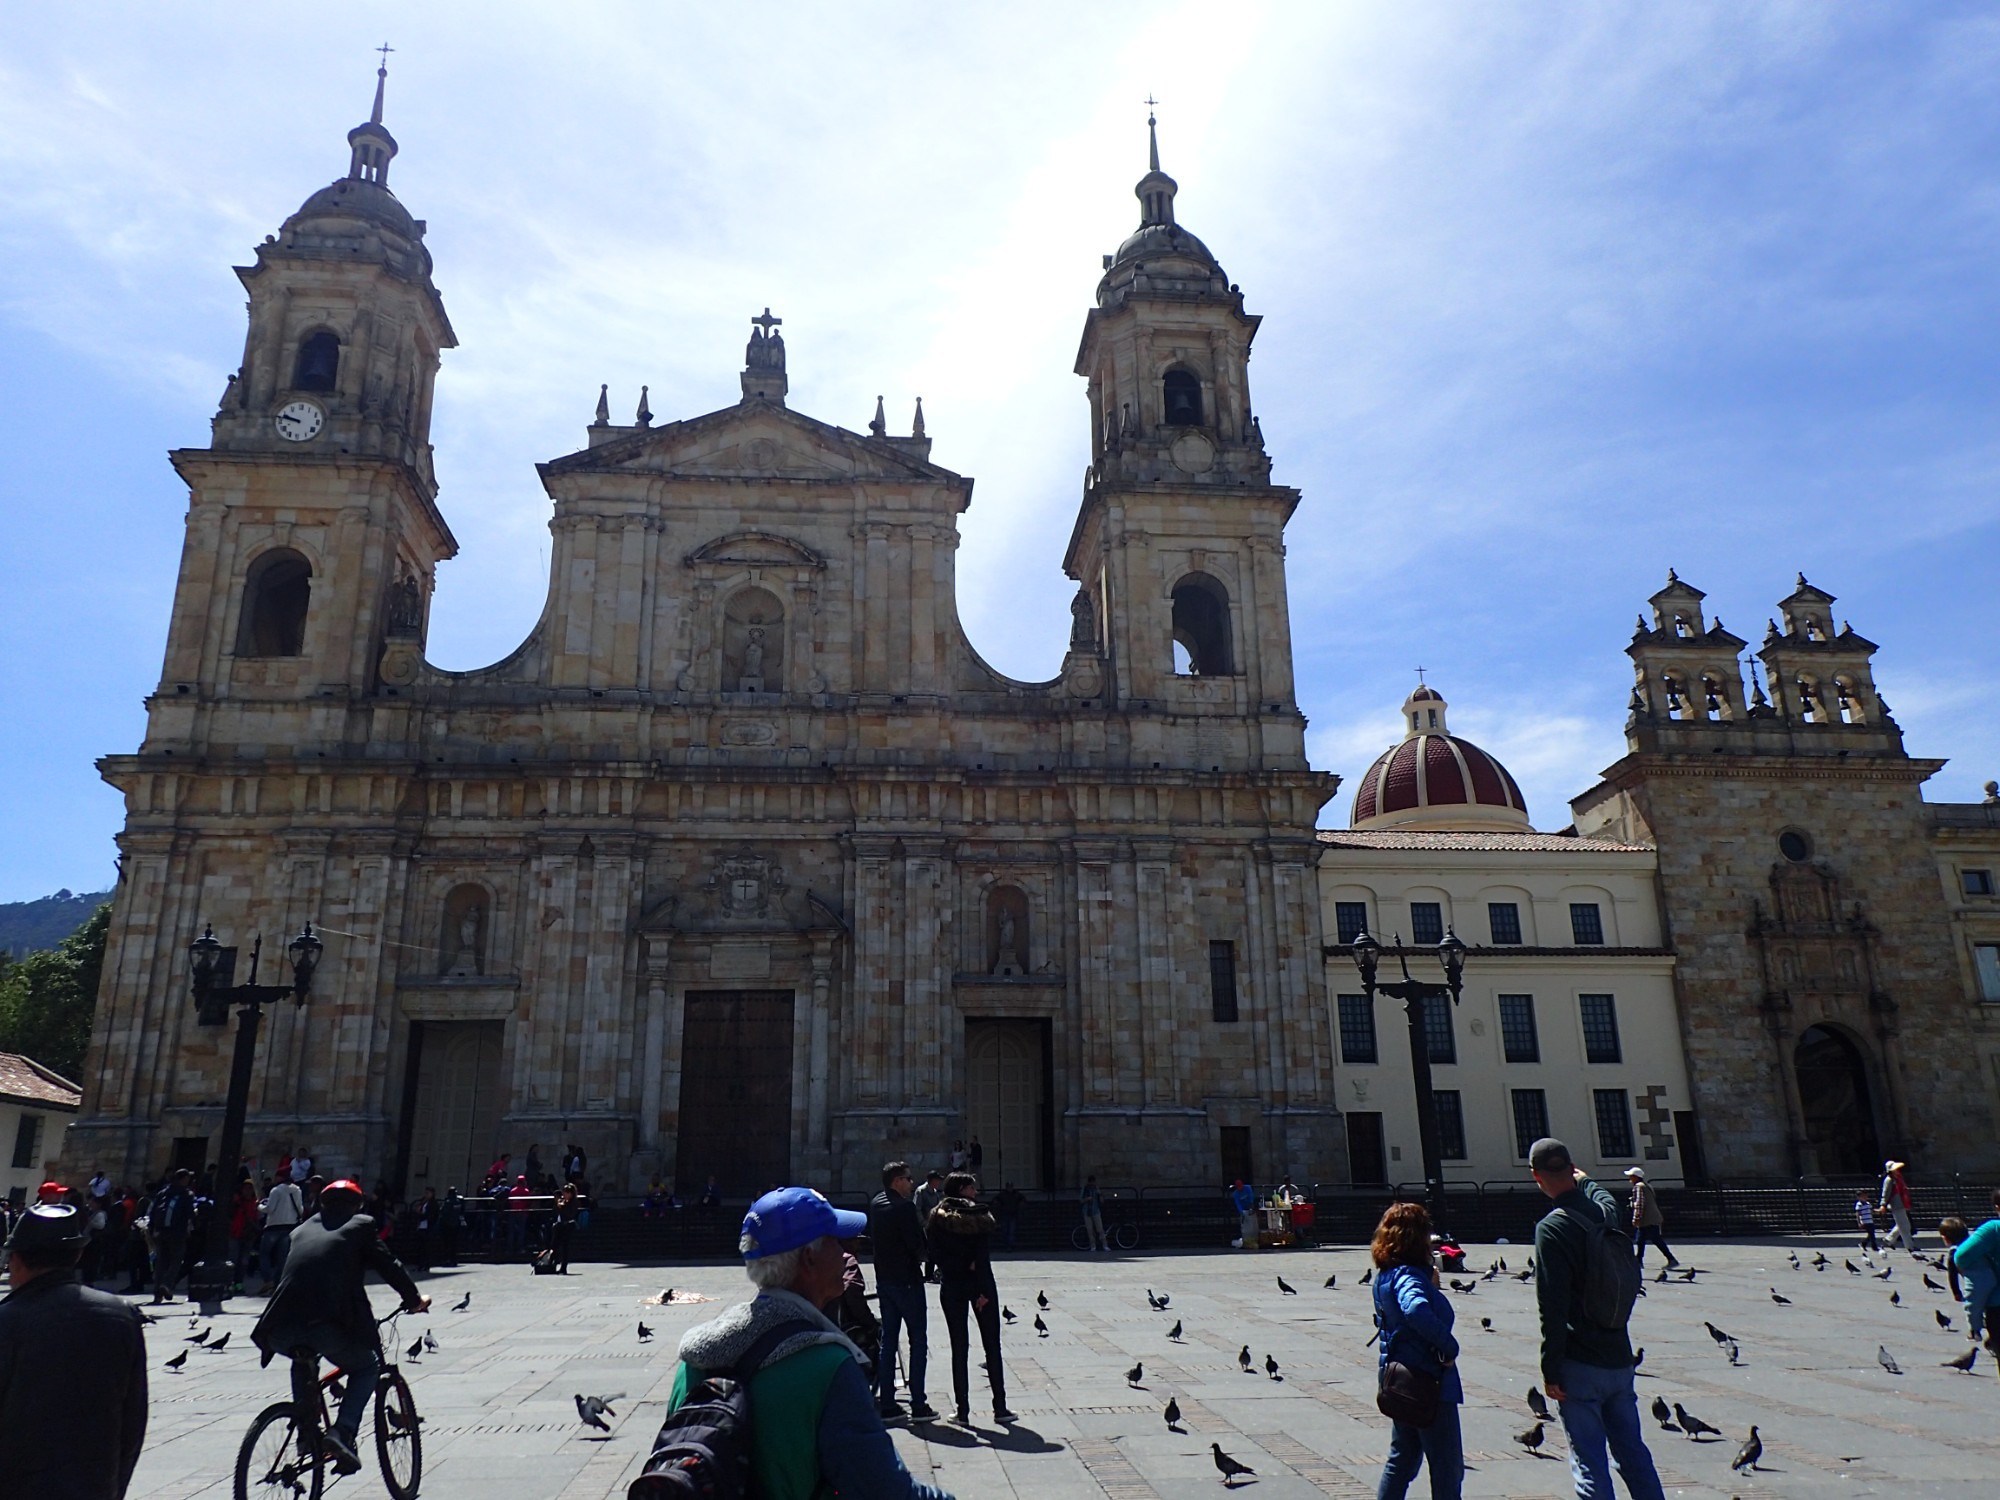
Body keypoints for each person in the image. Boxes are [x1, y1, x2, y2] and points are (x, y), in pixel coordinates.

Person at [646, 1186, 953, 1499]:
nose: (847, 1254)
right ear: (809, 1259)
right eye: (838, 1242)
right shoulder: (827, 1368)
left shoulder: (694, 1361)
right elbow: (888, 1492)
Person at [252, 1179, 429, 1476]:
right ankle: (342, 1432)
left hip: (278, 1327)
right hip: (322, 1322)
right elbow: (388, 1265)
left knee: (303, 1359)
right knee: (366, 1367)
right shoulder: (361, 1225)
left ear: (323, 1203)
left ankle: (306, 1434)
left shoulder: (301, 1230)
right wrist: (413, 1299)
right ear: (357, 1205)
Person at [1529, 1137, 1663, 1500]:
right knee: (1634, 1455)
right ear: (1571, 1169)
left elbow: (1552, 1308)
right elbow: (1603, 1197)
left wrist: (1551, 1369)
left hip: (1580, 1363)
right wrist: (1585, 1180)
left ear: (1536, 1176)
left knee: (1589, 1463)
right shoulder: (1604, 1214)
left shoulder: (1552, 1228)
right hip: (1619, 1356)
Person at [0, 1204, 149, 1499]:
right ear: (77, 1255)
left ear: (16, 1259)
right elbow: (133, 1418)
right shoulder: (121, 1315)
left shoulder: (7, 1321)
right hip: (94, 1485)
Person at [1370, 1200, 1463, 1500]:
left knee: (1403, 1459)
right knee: (1447, 1467)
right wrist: (1449, 1348)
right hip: (1428, 1382)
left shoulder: (1385, 1275)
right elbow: (1416, 1311)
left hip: (1400, 1379)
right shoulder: (1409, 1276)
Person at [925, 1172, 1012, 1426]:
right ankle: (1001, 1408)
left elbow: (933, 1252)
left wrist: (954, 1267)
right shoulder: (979, 1215)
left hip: (952, 1284)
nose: (975, 1193)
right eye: (972, 1188)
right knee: (992, 1346)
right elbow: (981, 1257)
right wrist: (979, 1283)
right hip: (979, 1286)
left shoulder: (936, 1216)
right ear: (962, 1189)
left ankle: (962, 1412)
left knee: (959, 1348)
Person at [867, 1161, 936, 1423]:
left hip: (885, 1281)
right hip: (907, 1281)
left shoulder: (876, 1203)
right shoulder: (904, 1207)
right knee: (918, 1341)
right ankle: (918, 1404)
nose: (911, 1183)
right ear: (897, 1181)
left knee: (889, 1343)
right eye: (908, 1179)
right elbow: (916, 1245)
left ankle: (888, 1404)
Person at [1939, 1213, 2000, 1350]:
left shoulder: (1958, 1253)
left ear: (1946, 1239)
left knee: (1975, 1306)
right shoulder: (1978, 1247)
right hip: (1993, 1286)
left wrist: (1956, 1292)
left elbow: (1954, 1275)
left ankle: (1976, 1331)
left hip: (1987, 1293)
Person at [148, 1168, 196, 1304]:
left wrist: (152, 1229)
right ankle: (167, 1284)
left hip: (161, 1231)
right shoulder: (186, 1194)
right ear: (183, 1179)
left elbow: (153, 1211)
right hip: (177, 1232)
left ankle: (157, 1293)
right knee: (176, 1260)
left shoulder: (163, 1192)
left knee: (161, 1262)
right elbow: (189, 1213)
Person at [1623, 1168, 1678, 1270]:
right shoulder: (1647, 1186)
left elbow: (1640, 1203)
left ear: (1635, 1177)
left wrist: (1636, 1217)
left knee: (1653, 1239)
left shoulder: (1638, 1187)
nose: (1629, 1178)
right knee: (1641, 1239)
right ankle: (1639, 1260)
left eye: (1631, 1176)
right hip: (1653, 1217)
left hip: (1646, 1219)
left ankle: (1670, 1259)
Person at [1877, 1160, 1919, 1254]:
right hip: (1896, 1205)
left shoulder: (1897, 1178)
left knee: (1901, 1224)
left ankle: (1889, 1239)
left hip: (1902, 1204)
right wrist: (1883, 1204)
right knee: (1905, 1226)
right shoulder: (1889, 1180)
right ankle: (1910, 1246)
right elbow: (1885, 1193)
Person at [913, 1169, 946, 1281]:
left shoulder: (935, 1192)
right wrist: (923, 1223)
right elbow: (917, 1209)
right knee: (928, 1250)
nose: (938, 1183)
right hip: (924, 1226)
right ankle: (927, 1274)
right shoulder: (921, 1191)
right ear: (931, 1180)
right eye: (937, 1180)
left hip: (933, 1225)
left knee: (933, 1249)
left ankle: (931, 1273)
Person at [548, 1184, 580, 1274]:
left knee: (565, 1247)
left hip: (568, 1225)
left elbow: (569, 1213)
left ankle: (563, 1267)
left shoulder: (573, 1202)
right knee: (555, 1245)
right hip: (560, 1225)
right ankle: (552, 1264)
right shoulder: (563, 1201)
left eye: (566, 1193)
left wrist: (562, 1206)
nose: (564, 1194)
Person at [1079, 1175, 1109, 1253]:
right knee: (1090, 1230)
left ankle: (1105, 1245)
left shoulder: (1096, 1189)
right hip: (1087, 1211)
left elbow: (1102, 1201)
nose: (1092, 1184)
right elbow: (1081, 1200)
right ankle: (1093, 1246)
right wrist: (1087, 1199)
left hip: (1096, 1210)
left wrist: (1100, 1194)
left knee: (1100, 1229)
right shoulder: (1085, 1189)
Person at [992, 1182, 1025, 1251]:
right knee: (1005, 1230)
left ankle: (1009, 1245)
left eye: (1011, 1187)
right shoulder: (1003, 1195)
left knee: (1011, 1231)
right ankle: (1007, 1244)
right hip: (1005, 1214)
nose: (1010, 1188)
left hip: (1012, 1214)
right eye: (1009, 1187)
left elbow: (1023, 1199)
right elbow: (996, 1199)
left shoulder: (1016, 1194)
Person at [1230, 1177, 1258, 1249]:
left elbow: (1251, 1196)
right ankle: (1247, 1241)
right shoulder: (1236, 1194)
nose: (1240, 1189)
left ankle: (1255, 1239)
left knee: (1253, 1226)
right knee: (1245, 1227)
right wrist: (1241, 1212)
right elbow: (1238, 1204)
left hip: (1250, 1208)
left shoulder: (1248, 1188)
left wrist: (1251, 1206)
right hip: (1244, 1210)